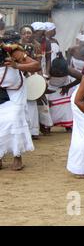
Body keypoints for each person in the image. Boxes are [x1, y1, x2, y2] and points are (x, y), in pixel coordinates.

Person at [0, 31, 41, 170]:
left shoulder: (12, 51)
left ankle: (17, 157)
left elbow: (36, 65)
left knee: (14, 119)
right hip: (1, 91)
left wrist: (17, 66)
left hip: (16, 90)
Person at [20, 25, 42, 139]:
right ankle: (22, 130)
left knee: (32, 102)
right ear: (21, 35)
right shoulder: (16, 46)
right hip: (19, 76)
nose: (27, 35)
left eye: (29, 33)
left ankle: (33, 131)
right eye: (24, 33)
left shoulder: (37, 46)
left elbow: (39, 63)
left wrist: (41, 79)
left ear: (32, 34)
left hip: (32, 76)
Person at [46, 52, 75, 132]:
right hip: (50, 89)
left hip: (64, 89)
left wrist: (67, 87)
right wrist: (46, 97)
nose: (59, 73)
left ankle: (68, 126)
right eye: (57, 71)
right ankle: (48, 125)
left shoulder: (68, 69)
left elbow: (81, 78)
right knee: (50, 108)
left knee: (66, 107)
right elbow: (42, 84)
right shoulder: (48, 71)